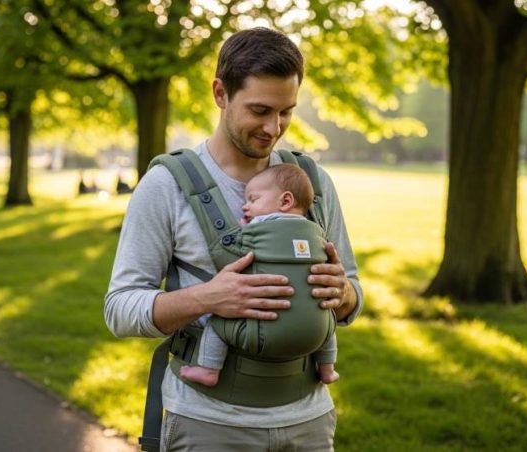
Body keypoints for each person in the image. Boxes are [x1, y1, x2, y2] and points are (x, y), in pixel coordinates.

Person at [105, 27, 361, 451]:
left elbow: (354, 294)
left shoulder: (311, 183)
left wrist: (345, 294)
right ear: (220, 93)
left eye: (286, 112)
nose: (273, 128)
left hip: (309, 421)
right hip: (210, 423)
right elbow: (120, 308)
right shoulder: (165, 185)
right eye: (259, 110)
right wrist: (209, 298)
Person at [179, 164, 340, 388]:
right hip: (315, 333)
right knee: (326, 320)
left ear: (285, 201)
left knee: (216, 324)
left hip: (264, 329)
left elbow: (231, 246)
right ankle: (327, 368)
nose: (246, 206)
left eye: (253, 200)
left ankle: (208, 369)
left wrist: (244, 227)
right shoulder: (316, 231)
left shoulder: (258, 226)